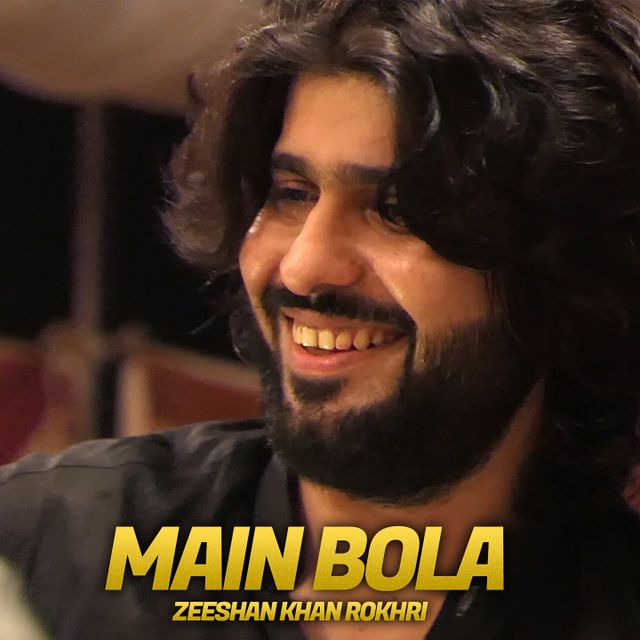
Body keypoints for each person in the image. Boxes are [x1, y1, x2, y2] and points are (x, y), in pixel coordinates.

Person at [2, 0, 640, 638]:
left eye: (396, 209)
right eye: (292, 195)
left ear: (568, 273)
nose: (304, 267)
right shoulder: (45, 550)